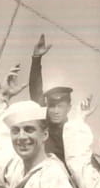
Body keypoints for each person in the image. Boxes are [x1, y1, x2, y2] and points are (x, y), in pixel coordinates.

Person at [28, 34, 75, 164]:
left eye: (60, 106)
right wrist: (36, 58)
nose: (55, 111)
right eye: (52, 106)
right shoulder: (46, 129)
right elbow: (36, 92)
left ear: (69, 108)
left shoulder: (74, 132)